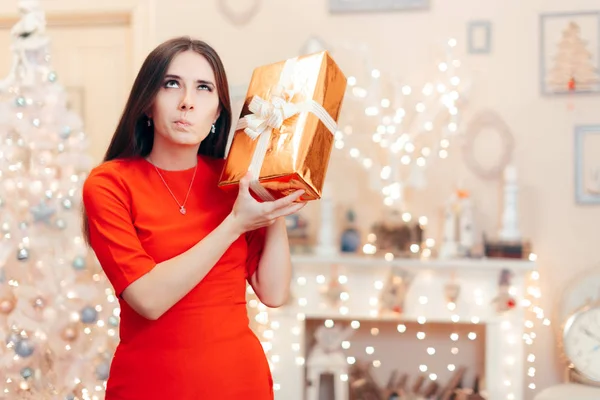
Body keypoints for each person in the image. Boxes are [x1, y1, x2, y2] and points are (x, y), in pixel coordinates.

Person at [81, 36, 306, 399]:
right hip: (148, 386)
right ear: (147, 104)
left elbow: (275, 292)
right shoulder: (109, 184)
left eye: (203, 88)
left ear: (217, 113)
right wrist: (235, 223)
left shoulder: (234, 181)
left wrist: (272, 208)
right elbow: (149, 299)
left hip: (239, 382)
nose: (187, 101)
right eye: (172, 84)